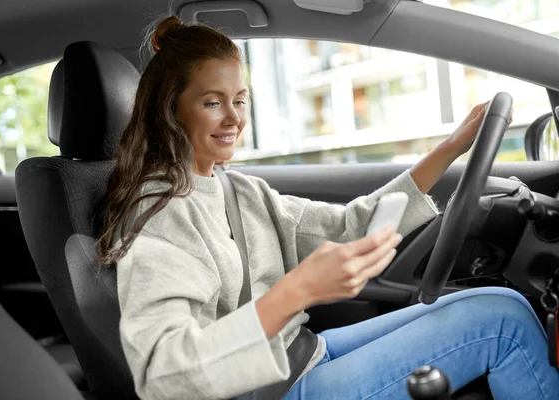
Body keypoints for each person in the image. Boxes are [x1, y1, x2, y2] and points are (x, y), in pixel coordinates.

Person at [97, 15, 559, 400]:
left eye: (240, 100)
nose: (235, 118)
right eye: (212, 102)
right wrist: (296, 291)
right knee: (503, 326)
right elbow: (163, 376)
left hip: (301, 354)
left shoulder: (240, 191)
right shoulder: (159, 213)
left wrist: (451, 149)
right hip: (266, 390)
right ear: (171, 110)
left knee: (500, 301)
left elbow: (349, 227)